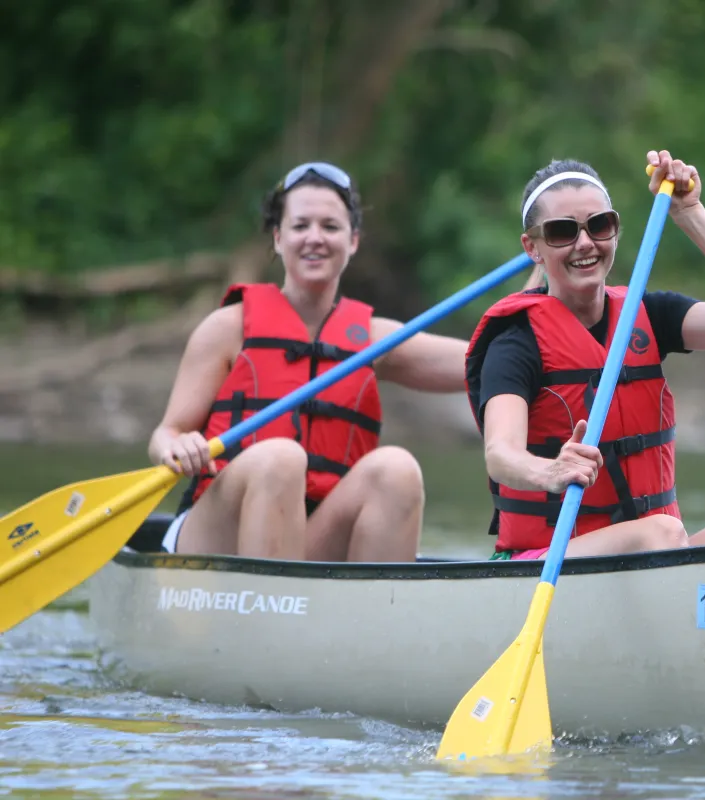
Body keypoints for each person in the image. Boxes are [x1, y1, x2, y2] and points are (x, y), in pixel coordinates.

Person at [464, 149, 705, 561]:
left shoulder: (649, 314)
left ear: (615, 232)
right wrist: (549, 471)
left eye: (599, 225)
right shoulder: (515, 342)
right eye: (563, 232)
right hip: (547, 563)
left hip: (658, 548)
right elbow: (501, 454)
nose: (585, 243)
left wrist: (689, 211)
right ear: (533, 247)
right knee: (662, 533)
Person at [148, 161, 469, 562]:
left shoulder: (375, 340)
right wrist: (178, 446)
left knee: (397, 469)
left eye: (330, 227)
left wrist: (539, 286)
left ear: (352, 241)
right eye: (300, 226)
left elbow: (484, 362)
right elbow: (166, 433)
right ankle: (264, 613)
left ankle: (373, 617)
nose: (314, 238)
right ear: (278, 238)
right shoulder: (227, 328)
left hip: (311, 540)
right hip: (215, 535)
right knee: (281, 457)